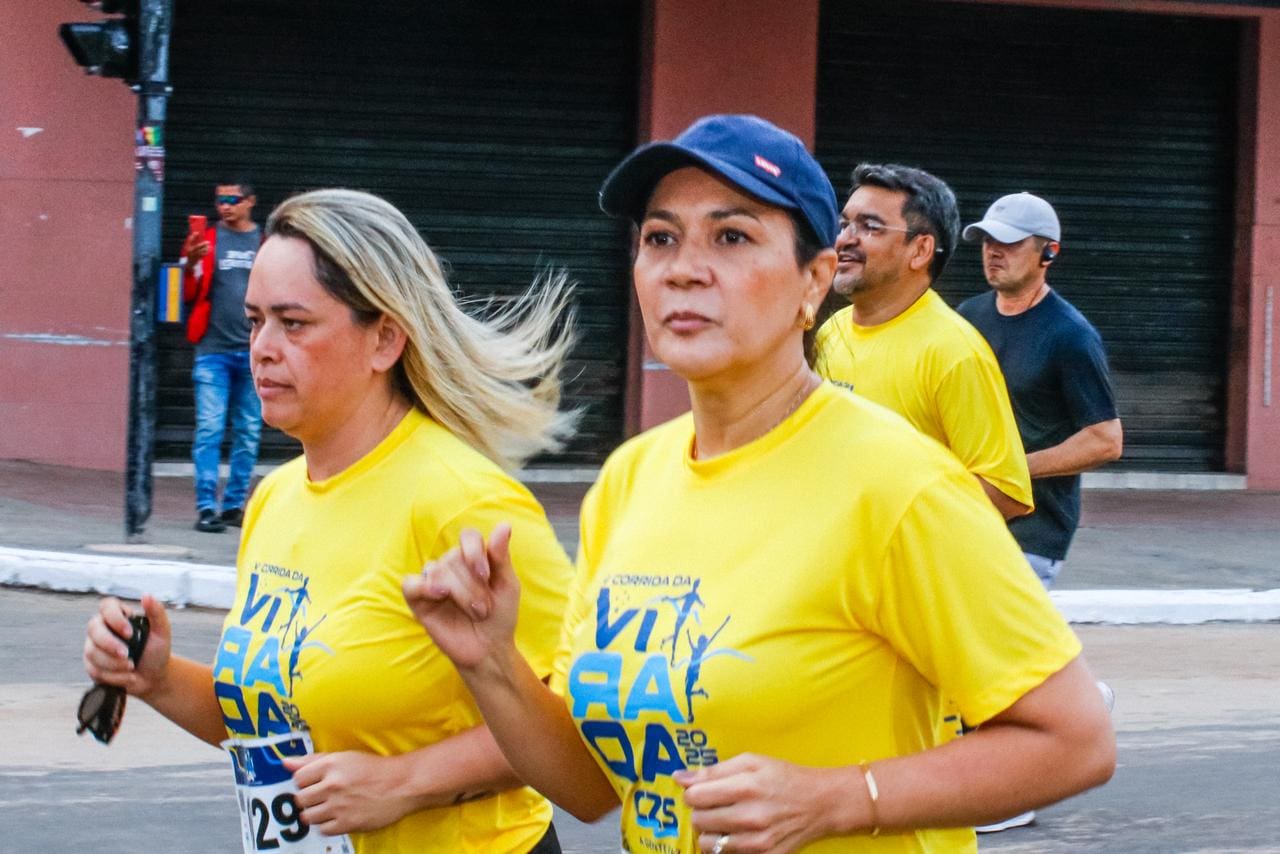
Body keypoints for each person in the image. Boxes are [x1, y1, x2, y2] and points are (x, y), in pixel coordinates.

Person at [403, 115, 1116, 854]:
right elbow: (592, 789)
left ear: (814, 281)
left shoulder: (900, 486)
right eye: (661, 238)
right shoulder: (628, 479)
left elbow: (1074, 741)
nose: (683, 269)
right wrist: (490, 661)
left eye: (732, 237)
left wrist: (837, 799)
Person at [85, 189, 577, 853]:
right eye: (255, 320)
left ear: (384, 339)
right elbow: (279, 729)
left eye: (294, 324)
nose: (261, 348)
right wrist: (159, 678)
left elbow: (575, 736)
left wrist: (405, 782)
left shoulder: (466, 502)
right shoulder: (275, 498)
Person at [812, 164, 1033, 521]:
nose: (844, 240)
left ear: (920, 250)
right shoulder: (830, 332)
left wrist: (889, 518)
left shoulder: (954, 351)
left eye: (870, 227)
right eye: (844, 225)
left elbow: (1005, 492)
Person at [958, 192, 1123, 588]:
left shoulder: (1071, 335)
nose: (993, 252)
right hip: (966, 519)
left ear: (1048, 252)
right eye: (987, 241)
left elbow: (1105, 440)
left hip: (1031, 535)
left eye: (1009, 243)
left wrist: (1011, 469)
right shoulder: (967, 317)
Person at [181, 178, 264, 533]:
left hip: (253, 353)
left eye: (232, 199)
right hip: (212, 352)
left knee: (248, 431)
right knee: (210, 429)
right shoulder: (207, 240)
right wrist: (190, 263)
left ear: (250, 202)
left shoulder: (265, 242)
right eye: (220, 200)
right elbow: (187, 292)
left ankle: (232, 506)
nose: (224, 206)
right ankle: (206, 507)